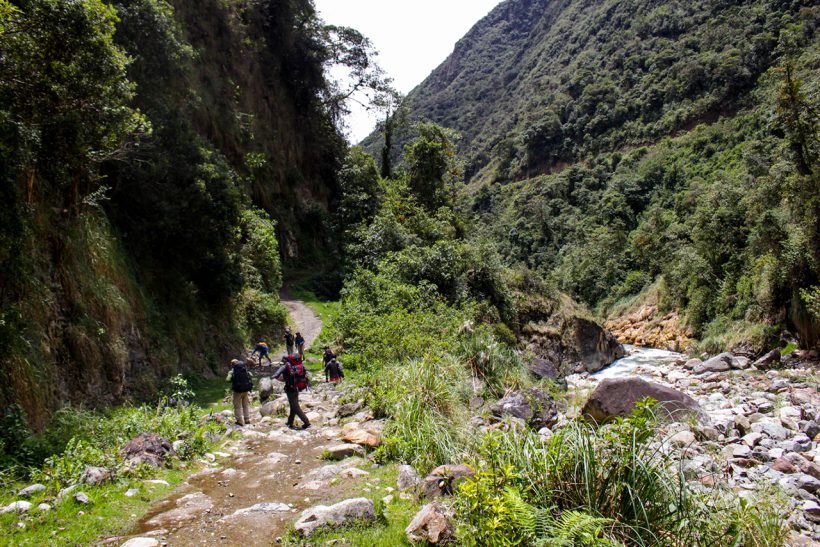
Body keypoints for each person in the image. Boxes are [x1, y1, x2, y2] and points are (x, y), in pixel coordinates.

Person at [273, 354, 311, 430]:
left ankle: (307, 422)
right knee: (292, 405)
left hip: (290, 389)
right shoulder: (299, 366)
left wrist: (282, 379)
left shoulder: (285, 366)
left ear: (285, 360)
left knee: (295, 407)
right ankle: (290, 422)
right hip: (297, 388)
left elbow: (276, 375)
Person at [226, 358, 253, 427]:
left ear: (232, 365)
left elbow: (227, 380)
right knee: (245, 405)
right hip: (245, 390)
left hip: (237, 391)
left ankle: (239, 421)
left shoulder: (232, 371)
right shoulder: (244, 369)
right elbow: (251, 375)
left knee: (237, 406)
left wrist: (233, 379)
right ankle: (247, 419)